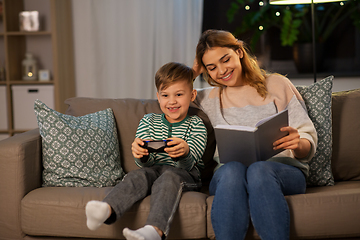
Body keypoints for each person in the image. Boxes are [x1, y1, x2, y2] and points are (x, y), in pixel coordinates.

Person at [192, 29, 317, 240]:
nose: (221, 71)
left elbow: (306, 138)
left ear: (239, 52)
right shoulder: (208, 99)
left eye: (225, 60)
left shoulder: (277, 85)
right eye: (212, 67)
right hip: (228, 175)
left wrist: (299, 143)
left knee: (259, 169)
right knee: (232, 169)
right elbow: (169, 100)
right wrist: (192, 72)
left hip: (285, 171)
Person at [85, 62, 207, 240]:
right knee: (137, 175)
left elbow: (192, 161)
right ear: (158, 97)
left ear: (192, 95)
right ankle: (107, 210)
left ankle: (154, 231)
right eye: (165, 95)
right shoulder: (148, 121)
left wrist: (185, 152)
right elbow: (144, 163)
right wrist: (141, 154)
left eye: (179, 94)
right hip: (153, 171)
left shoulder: (196, 124)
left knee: (169, 176)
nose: (172, 101)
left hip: (186, 174)